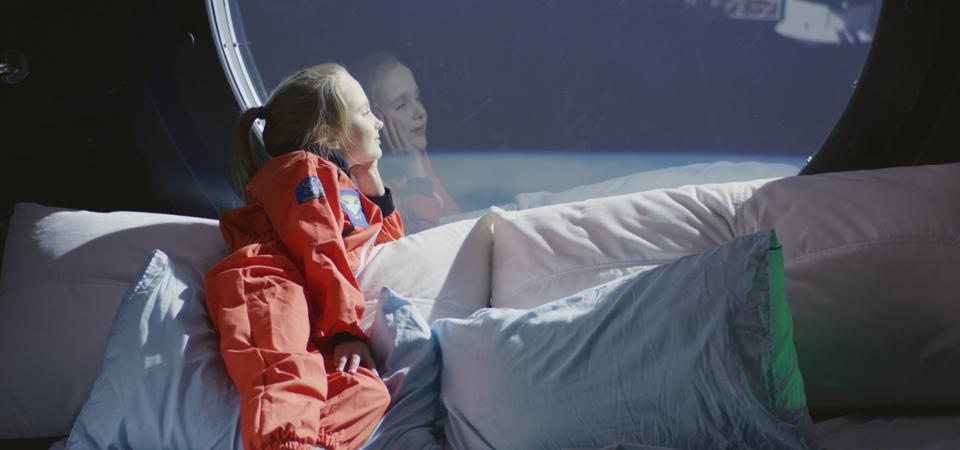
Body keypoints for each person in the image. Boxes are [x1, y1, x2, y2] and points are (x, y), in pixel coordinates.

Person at [204, 63, 404, 450]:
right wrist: (346, 330)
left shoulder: (342, 188)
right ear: (326, 135)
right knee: (290, 373)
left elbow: (385, 246)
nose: (378, 122)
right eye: (365, 112)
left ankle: (311, 444)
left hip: (315, 307)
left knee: (366, 390)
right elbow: (319, 246)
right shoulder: (302, 171)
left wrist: (370, 176)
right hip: (269, 284)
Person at [350, 52, 460, 232]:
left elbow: (455, 223)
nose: (420, 112)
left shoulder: (415, 155)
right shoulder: (365, 189)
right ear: (373, 119)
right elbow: (425, 240)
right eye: (401, 106)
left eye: (417, 98)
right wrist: (415, 176)